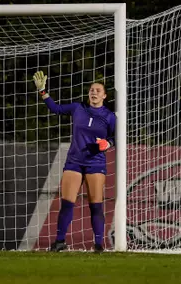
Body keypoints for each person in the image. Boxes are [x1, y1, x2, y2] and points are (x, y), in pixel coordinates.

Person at [32, 71, 116, 253]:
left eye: (98, 90)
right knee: (67, 202)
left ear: (104, 95)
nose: (94, 92)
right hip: (74, 162)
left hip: (95, 163)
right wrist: (43, 92)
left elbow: (115, 138)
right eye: (91, 89)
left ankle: (99, 245)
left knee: (96, 205)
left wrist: (107, 143)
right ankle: (59, 242)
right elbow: (56, 109)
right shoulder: (78, 108)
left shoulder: (109, 116)